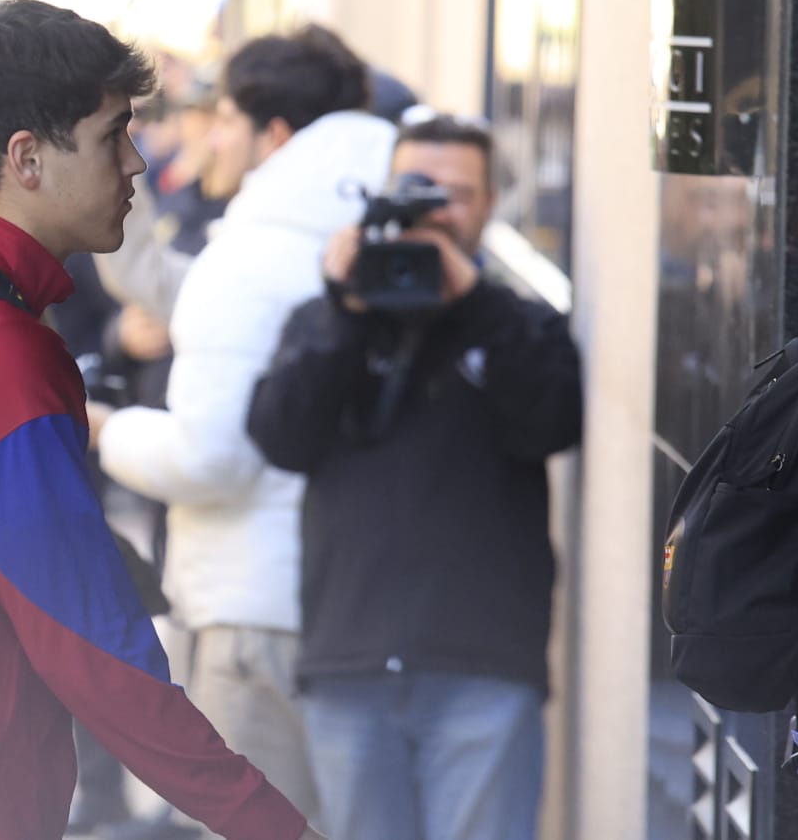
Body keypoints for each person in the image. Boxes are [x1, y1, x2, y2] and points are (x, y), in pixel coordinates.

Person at [0, 0, 320, 840]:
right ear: (26, 158)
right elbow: (96, 649)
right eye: (115, 133)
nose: (139, 162)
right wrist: (277, 828)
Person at [92, 26, 396, 834]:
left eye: (223, 116)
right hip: (355, 614)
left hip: (253, 616)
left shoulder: (252, 256)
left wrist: (102, 429)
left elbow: (209, 457)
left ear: (276, 135)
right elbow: (169, 287)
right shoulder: (359, 239)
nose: (208, 135)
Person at [248, 114, 584, 840]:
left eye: (453, 195)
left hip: (484, 668)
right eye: (415, 190)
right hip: (350, 664)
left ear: (492, 203)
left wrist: (478, 304)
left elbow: (550, 424)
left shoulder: (519, 323)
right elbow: (280, 438)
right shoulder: (327, 317)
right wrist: (345, 310)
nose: (432, 211)